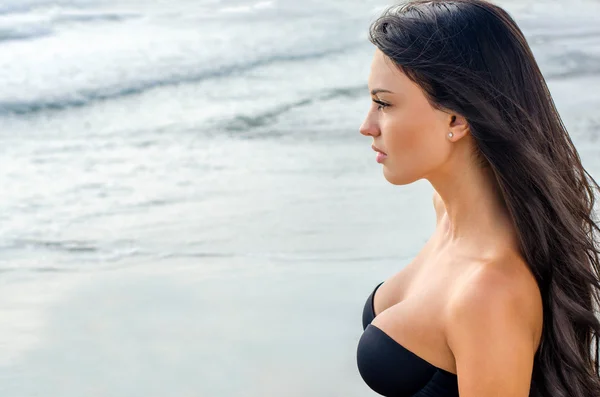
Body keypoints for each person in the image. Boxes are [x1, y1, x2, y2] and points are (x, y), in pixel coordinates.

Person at [355, 1, 600, 396]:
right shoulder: (449, 214)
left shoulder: (490, 292)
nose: (367, 126)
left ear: (456, 119)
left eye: (384, 103)